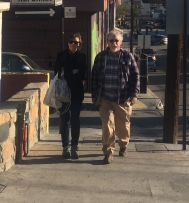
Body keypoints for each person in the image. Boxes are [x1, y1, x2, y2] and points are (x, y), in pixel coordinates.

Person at [91, 30, 140, 164]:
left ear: (121, 42)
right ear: (107, 42)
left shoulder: (128, 56)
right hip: (105, 97)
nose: (114, 43)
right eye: (111, 40)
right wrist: (94, 94)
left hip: (122, 98)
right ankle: (108, 152)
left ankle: (123, 145)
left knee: (123, 125)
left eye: (116, 40)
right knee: (107, 125)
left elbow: (135, 76)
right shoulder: (101, 57)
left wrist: (134, 94)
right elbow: (94, 76)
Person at [54, 33, 87, 160]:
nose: (73, 44)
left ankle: (74, 147)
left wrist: (68, 71)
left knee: (75, 120)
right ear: (68, 43)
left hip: (77, 93)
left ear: (80, 44)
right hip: (62, 93)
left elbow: (82, 74)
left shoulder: (82, 57)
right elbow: (57, 72)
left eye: (76, 42)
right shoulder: (61, 55)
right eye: (71, 41)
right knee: (64, 120)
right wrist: (72, 71)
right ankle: (65, 147)